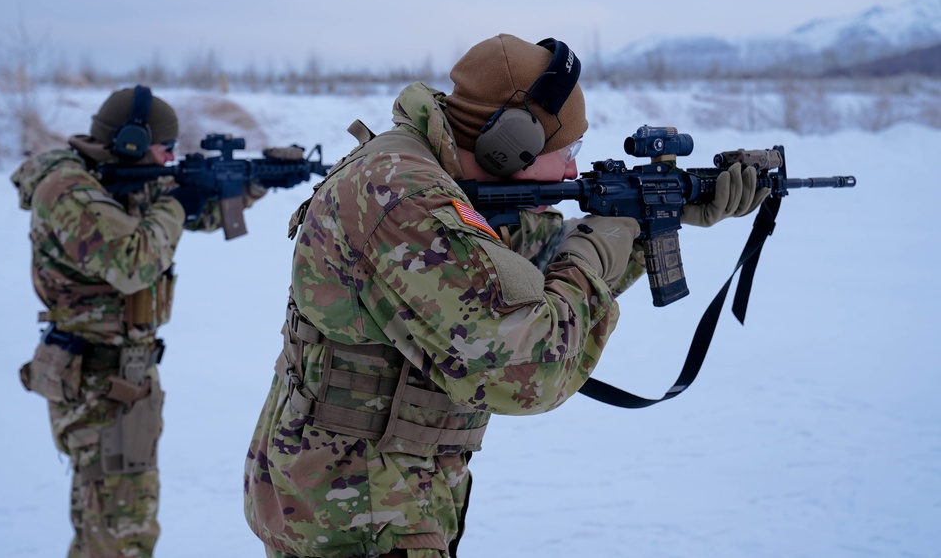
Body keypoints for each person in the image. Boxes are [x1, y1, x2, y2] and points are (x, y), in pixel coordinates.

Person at [243, 34, 767, 558]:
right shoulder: (404, 199)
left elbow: (515, 271)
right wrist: (592, 255)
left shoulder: (432, 174)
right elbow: (529, 369)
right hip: (359, 512)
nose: (572, 171)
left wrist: (646, 225)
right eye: (567, 151)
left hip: (369, 492)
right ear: (508, 143)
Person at [12, 85, 267, 557]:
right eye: (164, 146)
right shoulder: (68, 189)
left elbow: (191, 215)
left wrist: (248, 183)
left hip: (122, 376)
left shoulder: (118, 176)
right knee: (121, 532)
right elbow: (133, 261)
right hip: (96, 380)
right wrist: (177, 202)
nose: (170, 157)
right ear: (129, 140)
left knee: (106, 526)